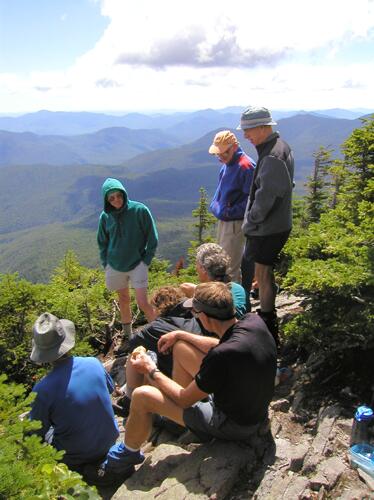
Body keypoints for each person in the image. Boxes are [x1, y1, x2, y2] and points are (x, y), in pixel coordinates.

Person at [96, 282, 276, 476]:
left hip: (232, 425)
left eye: (196, 313)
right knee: (181, 347)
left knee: (142, 395)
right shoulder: (252, 322)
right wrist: (181, 335)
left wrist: (151, 370)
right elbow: (220, 343)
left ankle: (125, 457)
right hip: (249, 404)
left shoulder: (220, 357)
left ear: (205, 317)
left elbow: (183, 398)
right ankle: (179, 417)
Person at [28, 312, 123, 480]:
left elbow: (34, 434)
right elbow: (108, 390)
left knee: (48, 430)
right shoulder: (93, 363)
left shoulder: (42, 389)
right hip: (109, 440)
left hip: (77, 456)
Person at [237, 106, 294, 347]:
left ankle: (269, 325)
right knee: (263, 274)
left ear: (263, 127)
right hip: (275, 225)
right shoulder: (278, 147)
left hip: (268, 228)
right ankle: (268, 320)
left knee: (261, 274)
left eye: (249, 130)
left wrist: (251, 222)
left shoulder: (271, 155)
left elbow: (266, 197)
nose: (246, 135)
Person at [97, 177, 159, 345]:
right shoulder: (105, 217)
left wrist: (145, 260)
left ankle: (159, 333)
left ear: (124, 193)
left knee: (142, 302)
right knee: (123, 299)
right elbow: (102, 242)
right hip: (115, 266)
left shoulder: (140, 210)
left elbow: (152, 238)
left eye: (118, 195)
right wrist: (106, 263)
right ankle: (128, 336)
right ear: (106, 200)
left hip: (138, 264)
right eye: (111, 198)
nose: (116, 200)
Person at [208, 131, 256, 285]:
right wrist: (217, 207)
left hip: (236, 223)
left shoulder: (246, 166)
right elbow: (220, 193)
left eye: (224, 152)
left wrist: (228, 211)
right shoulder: (227, 165)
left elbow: (252, 200)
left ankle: (234, 305)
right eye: (218, 153)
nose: (220, 157)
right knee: (225, 263)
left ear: (235, 147)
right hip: (226, 221)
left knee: (229, 268)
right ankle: (235, 298)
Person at [180, 242, 250, 318]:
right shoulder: (238, 289)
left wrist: (199, 292)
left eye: (196, 264)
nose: (196, 268)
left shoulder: (211, 296)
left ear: (203, 269)